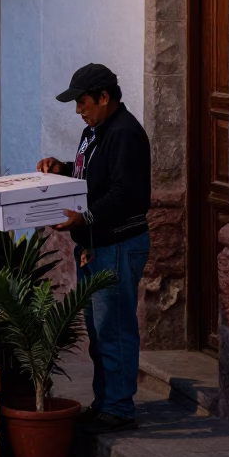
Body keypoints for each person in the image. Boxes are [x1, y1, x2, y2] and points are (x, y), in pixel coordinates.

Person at [38, 62, 151, 434]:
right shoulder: (95, 130)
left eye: (83, 102)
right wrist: (64, 168)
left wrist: (82, 219)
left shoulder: (125, 134)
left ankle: (118, 408)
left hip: (117, 244)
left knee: (114, 327)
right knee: (100, 330)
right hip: (95, 246)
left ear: (105, 97)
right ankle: (106, 402)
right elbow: (94, 175)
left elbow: (125, 193)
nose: (78, 110)